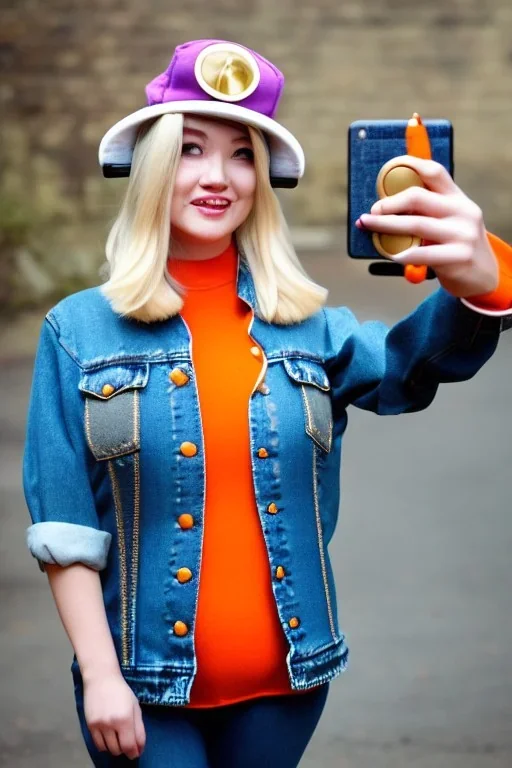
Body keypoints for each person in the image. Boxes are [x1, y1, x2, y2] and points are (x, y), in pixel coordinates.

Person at [22, 39, 512, 768]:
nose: (218, 176)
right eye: (190, 149)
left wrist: (482, 280)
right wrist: (99, 676)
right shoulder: (77, 332)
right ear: (152, 164)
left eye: (243, 154)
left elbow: (410, 368)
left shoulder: (308, 327)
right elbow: (64, 530)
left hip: (288, 686)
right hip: (141, 691)